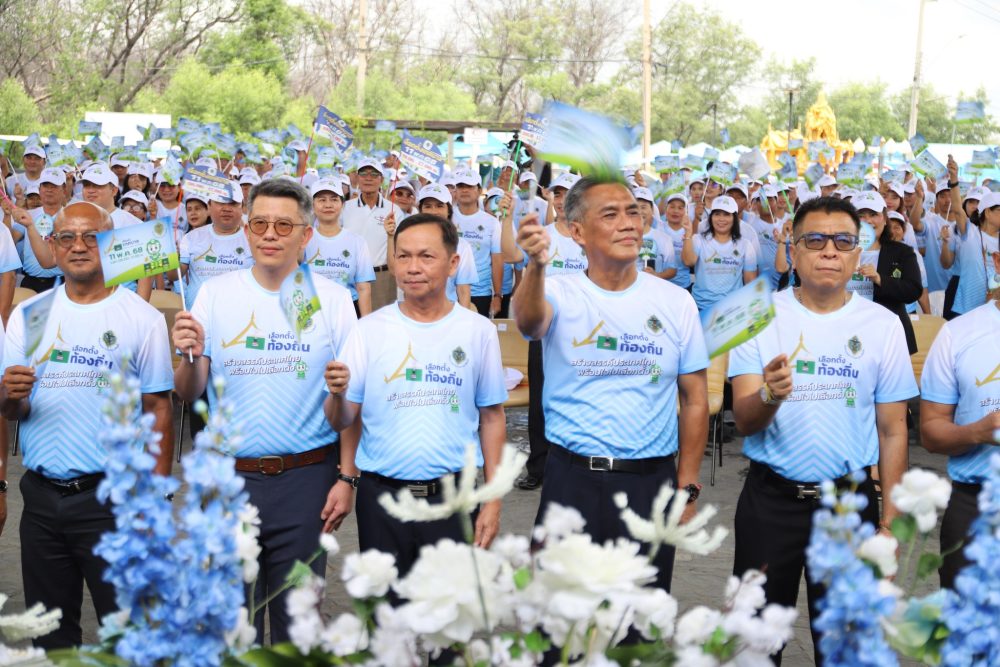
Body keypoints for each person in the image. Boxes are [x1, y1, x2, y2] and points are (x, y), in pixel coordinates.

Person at [728, 195, 917, 665]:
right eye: (814, 240)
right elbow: (745, 419)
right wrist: (770, 394)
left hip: (848, 507)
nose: (829, 250)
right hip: (770, 502)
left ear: (858, 254)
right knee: (755, 645)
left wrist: (890, 524)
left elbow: (893, 430)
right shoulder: (758, 314)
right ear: (793, 251)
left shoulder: (884, 325)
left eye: (843, 241)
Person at [171, 178, 357, 643]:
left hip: (307, 481)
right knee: (235, 628)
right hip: (229, 481)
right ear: (247, 230)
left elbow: (350, 404)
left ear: (305, 234)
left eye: (283, 225)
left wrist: (347, 477)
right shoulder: (214, 294)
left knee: (298, 625)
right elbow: (190, 392)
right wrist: (188, 356)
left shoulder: (333, 299)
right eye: (260, 224)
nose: (270, 234)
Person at [513, 177, 709, 592]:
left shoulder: (676, 302)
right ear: (578, 232)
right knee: (559, 615)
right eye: (610, 214)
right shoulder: (558, 291)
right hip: (571, 480)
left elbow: (694, 399)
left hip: (649, 483)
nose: (628, 223)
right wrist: (536, 265)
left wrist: (687, 486)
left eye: (633, 212)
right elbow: (529, 323)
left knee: (638, 618)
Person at [1, 201, 174, 650]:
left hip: (114, 500)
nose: (78, 246)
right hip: (41, 501)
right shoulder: (29, 315)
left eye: (91, 236)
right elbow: (11, 410)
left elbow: (158, 409)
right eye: (67, 237)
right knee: (50, 638)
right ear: (53, 246)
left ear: (111, 244)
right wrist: (8, 395)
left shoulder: (142, 318)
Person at [325, 213, 507, 575]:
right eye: (403, 256)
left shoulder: (478, 331)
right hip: (383, 501)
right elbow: (341, 420)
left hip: (455, 499)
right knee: (386, 606)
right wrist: (338, 395)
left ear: (453, 264)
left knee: (450, 605)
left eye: (426, 256)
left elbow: (492, 418)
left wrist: (493, 499)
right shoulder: (367, 330)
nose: (412, 267)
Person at [499, 171, 588, 492]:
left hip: (583, 332)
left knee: (579, 397)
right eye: (558, 194)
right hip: (545, 328)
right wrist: (507, 217)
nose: (563, 201)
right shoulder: (542, 234)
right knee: (540, 400)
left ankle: (577, 463)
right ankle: (539, 466)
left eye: (569, 194)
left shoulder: (589, 236)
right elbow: (511, 255)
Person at [919, 250, 1000, 588]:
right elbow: (930, 432)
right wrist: (978, 432)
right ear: (997, 262)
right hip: (974, 506)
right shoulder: (959, 332)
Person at [849, 191, 922, 354]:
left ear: (884, 218)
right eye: (861, 215)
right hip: (850, 333)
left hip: (890, 336)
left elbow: (913, 290)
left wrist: (879, 279)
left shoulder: (902, 252)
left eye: (873, 214)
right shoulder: (840, 251)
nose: (868, 221)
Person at [388, 183, 476, 310]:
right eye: (428, 206)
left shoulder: (461, 246)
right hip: (413, 312)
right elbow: (394, 270)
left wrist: (463, 320)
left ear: (448, 210)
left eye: (439, 206)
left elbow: (463, 290)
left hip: (447, 313)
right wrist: (390, 236)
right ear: (420, 210)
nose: (434, 211)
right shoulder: (409, 240)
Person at [305, 178, 375, 317]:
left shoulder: (357, 242)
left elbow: (363, 289)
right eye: (322, 200)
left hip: (347, 311)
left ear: (342, 204)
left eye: (334, 199)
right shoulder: (302, 240)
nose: (328, 205)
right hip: (312, 311)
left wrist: (366, 324)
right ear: (312, 205)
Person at [340, 158, 404, 310]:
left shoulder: (394, 210)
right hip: (350, 276)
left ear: (381, 180)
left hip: (382, 278)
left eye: (374, 174)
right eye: (363, 174)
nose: (368, 178)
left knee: (382, 322)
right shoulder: (344, 208)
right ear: (357, 178)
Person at [681, 195, 758, 312]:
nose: (721, 219)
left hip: (732, 310)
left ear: (734, 218)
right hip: (701, 307)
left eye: (726, 214)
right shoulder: (698, 240)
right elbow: (688, 261)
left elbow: (750, 282)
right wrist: (688, 234)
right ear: (711, 217)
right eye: (717, 214)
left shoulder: (745, 245)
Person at [453, 170, 503, 317]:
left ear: (479, 191)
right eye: (461, 186)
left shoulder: (492, 222)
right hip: (450, 292)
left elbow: (497, 260)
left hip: (480, 293)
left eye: (470, 186)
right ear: (455, 191)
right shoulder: (447, 217)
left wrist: (497, 295)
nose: (465, 190)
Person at [6, 167, 62, 294]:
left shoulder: (70, 216)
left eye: (54, 186)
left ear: (63, 189)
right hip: (30, 283)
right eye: (45, 185)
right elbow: (10, 241)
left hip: (60, 283)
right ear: (40, 189)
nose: (49, 190)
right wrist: (7, 215)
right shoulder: (28, 215)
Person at [946, 191, 1000, 318]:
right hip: (966, 306)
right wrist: (953, 182)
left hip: (992, 309)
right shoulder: (970, 231)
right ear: (987, 212)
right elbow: (957, 209)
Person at [887, 210, 931, 315]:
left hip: (908, 313)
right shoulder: (875, 252)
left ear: (903, 231)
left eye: (897, 227)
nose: (892, 232)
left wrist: (929, 316)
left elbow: (922, 290)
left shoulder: (913, 255)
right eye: (888, 228)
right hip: (884, 313)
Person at [632, 187, 677, 281]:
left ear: (652, 209)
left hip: (655, 288)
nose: (639, 211)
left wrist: (656, 275)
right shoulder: (622, 237)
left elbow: (672, 270)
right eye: (635, 207)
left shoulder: (665, 239)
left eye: (643, 207)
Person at [659, 193, 693, 290]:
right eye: (672, 207)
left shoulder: (689, 231)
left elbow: (690, 262)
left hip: (683, 286)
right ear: (666, 210)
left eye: (680, 208)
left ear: (687, 211)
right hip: (661, 285)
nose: (675, 211)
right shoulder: (658, 227)